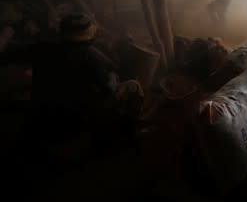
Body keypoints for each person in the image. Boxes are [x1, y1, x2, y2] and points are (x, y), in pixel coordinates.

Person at [0, 13, 143, 153]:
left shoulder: (42, 48)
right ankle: (128, 136)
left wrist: (6, 34)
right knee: (133, 86)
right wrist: (113, 76)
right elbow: (109, 88)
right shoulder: (88, 57)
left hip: (41, 114)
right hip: (71, 120)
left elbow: (8, 54)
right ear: (88, 37)